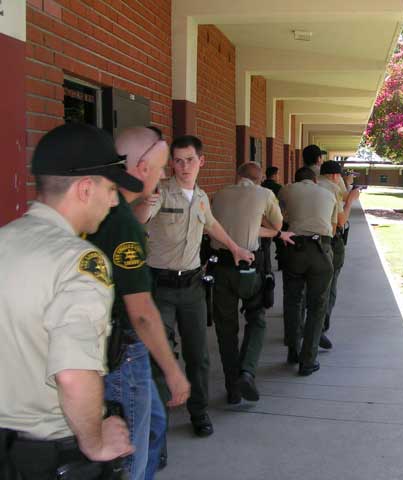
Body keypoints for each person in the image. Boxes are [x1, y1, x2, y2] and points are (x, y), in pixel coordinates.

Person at [0, 123, 136, 479]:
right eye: (111, 189)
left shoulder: (5, 240)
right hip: (44, 457)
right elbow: (73, 373)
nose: (114, 201)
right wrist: (95, 442)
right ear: (85, 188)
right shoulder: (78, 261)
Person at [87, 126, 191, 480]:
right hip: (124, 354)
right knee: (129, 453)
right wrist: (173, 371)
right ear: (143, 167)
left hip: (104, 347)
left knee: (154, 425)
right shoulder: (122, 222)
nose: (163, 176)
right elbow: (142, 312)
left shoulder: (100, 208)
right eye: (161, 168)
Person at [138, 135, 253, 439]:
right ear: (172, 164)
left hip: (191, 287)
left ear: (201, 161)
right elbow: (142, 218)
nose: (184, 166)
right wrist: (144, 204)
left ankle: (199, 412)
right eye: (178, 161)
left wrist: (235, 248)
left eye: (190, 160)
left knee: (199, 355)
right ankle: (157, 425)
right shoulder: (161, 192)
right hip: (160, 286)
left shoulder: (201, 196)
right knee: (160, 354)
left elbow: (211, 223)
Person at [210, 162, 294, 402]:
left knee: (226, 329)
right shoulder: (265, 194)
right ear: (260, 179)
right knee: (256, 318)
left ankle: (232, 389)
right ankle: (246, 371)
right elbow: (277, 225)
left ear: (237, 176)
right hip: (248, 266)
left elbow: (213, 227)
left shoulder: (219, 194)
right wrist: (262, 224)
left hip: (221, 266)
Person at [278, 166, 340, 376]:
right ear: (314, 181)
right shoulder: (329, 193)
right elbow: (333, 228)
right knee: (317, 305)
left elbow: (280, 216)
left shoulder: (287, 190)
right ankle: (308, 360)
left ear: (296, 181)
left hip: (294, 248)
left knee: (293, 301)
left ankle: (293, 350)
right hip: (321, 249)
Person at [317, 161, 361, 349]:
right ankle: (320, 327)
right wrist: (350, 200)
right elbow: (341, 221)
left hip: (300, 244)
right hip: (328, 242)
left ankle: (296, 334)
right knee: (329, 285)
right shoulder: (333, 189)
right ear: (336, 176)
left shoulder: (309, 184)